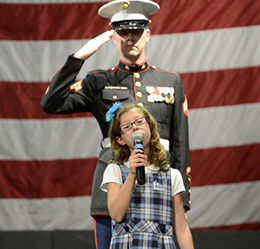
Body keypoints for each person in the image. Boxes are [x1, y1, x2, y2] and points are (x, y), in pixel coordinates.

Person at [40, 0, 191, 248]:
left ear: (148, 34)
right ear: (113, 37)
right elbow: (51, 103)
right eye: (122, 31)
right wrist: (79, 57)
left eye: (137, 30)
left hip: (160, 185)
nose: (130, 37)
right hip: (113, 182)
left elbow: (180, 142)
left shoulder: (171, 81)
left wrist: (182, 198)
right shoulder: (99, 80)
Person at [101, 102, 194, 249]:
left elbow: (181, 227)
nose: (135, 127)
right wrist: (132, 175)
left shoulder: (172, 175)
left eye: (139, 121)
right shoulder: (115, 170)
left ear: (150, 126)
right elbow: (117, 214)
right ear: (120, 139)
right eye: (127, 126)